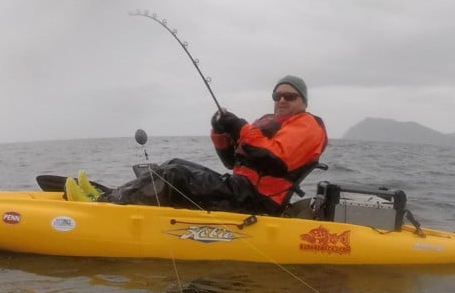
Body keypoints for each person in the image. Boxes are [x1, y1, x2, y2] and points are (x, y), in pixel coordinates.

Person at [96, 75, 327, 215]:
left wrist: (239, 126)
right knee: (173, 164)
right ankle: (117, 195)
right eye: (277, 96)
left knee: (174, 175)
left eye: (289, 96)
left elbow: (274, 159)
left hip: (257, 199)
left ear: (303, 101)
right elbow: (230, 161)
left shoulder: (308, 125)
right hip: (239, 187)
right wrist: (220, 131)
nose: (282, 100)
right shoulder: (268, 122)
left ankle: (105, 205)